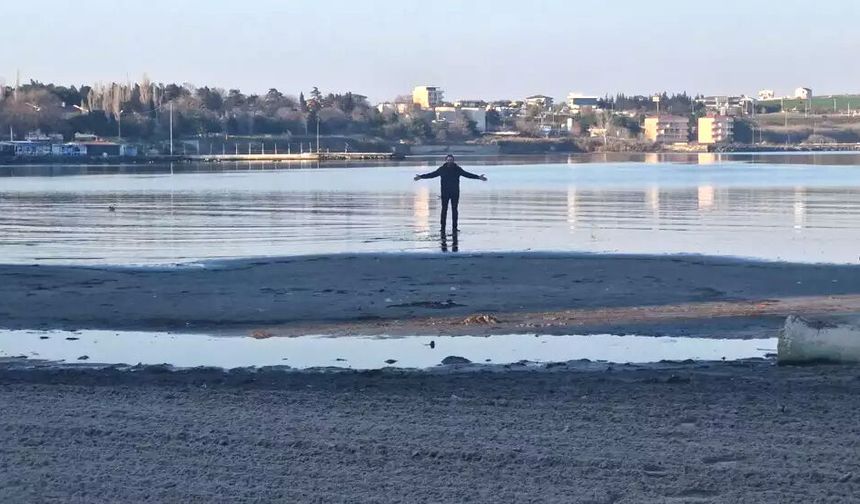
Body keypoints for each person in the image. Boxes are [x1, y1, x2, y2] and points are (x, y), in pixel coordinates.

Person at [414, 154, 487, 235]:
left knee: (454, 210)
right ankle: (442, 228)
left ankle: (455, 228)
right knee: (444, 210)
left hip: (455, 192)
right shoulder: (442, 169)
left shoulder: (457, 169)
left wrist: (478, 177)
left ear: (453, 161)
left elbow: (467, 174)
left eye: (451, 160)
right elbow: (432, 175)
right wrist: (421, 177)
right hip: (445, 192)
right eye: (448, 160)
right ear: (446, 161)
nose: (450, 161)